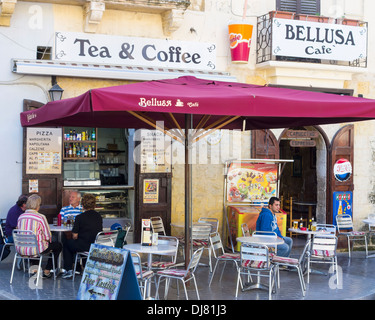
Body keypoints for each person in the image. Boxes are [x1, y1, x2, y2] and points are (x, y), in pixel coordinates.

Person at [17, 194, 62, 278]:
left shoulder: (20, 217)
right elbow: (48, 236)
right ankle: (47, 270)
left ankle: (35, 270)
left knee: (34, 244)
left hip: (21, 249)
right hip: (35, 250)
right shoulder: (40, 217)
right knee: (58, 245)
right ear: (37, 205)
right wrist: (46, 240)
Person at [61, 193, 102, 279]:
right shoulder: (98, 216)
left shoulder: (80, 217)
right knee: (74, 243)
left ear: (83, 205)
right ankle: (80, 268)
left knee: (67, 244)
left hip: (84, 246)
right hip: (95, 245)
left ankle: (68, 270)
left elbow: (75, 235)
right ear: (94, 204)